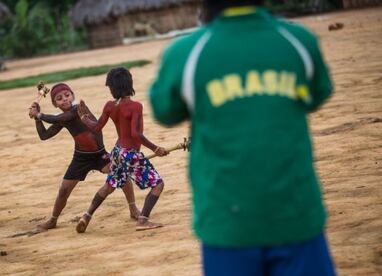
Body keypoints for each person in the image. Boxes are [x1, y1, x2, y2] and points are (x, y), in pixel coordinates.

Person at [149, 0, 336, 275]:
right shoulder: (297, 41)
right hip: (296, 217)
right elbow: (318, 94)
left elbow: (165, 111)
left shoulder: (186, 54)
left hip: (227, 224)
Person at [28, 83, 140, 232]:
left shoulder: (77, 109)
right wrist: (37, 119)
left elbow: (58, 118)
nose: (65, 100)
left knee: (122, 175)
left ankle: (133, 209)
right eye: (59, 99)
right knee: (63, 191)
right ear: (55, 104)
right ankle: (53, 220)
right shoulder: (62, 118)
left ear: (73, 96)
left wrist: (39, 114)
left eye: (67, 95)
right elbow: (44, 135)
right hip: (81, 158)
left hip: (100, 154)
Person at [76, 67, 168, 233]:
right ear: (129, 84)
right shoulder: (135, 106)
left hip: (117, 152)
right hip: (130, 153)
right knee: (158, 184)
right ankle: (143, 219)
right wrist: (156, 148)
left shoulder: (110, 106)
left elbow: (96, 128)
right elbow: (136, 134)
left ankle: (87, 215)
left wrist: (84, 119)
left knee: (109, 186)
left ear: (112, 88)